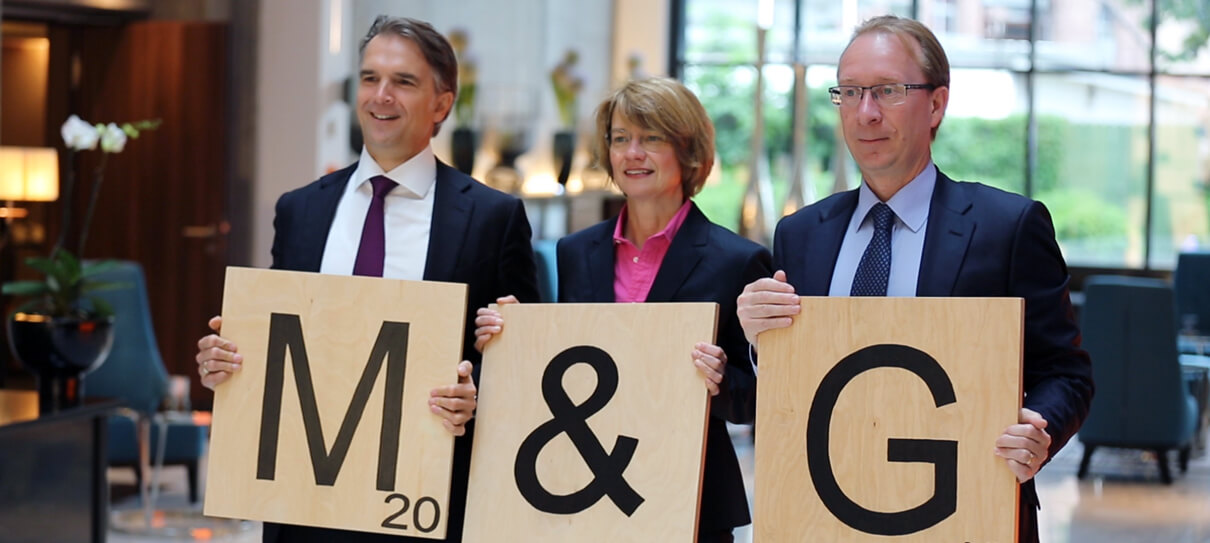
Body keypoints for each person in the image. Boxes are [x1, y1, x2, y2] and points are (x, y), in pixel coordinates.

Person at [734, 15, 1093, 543]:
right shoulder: (800, 234)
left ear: (937, 104)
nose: (866, 112)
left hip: (964, 508)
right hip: (824, 513)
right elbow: (788, 388)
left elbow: (1067, 374)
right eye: (850, 92)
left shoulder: (1007, 227)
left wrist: (1038, 428)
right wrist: (760, 343)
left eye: (888, 91)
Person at [194, 16, 539, 543]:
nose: (381, 96)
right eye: (370, 78)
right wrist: (227, 359)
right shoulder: (301, 210)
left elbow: (522, 366)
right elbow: (277, 342)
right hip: (305, 498)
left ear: (442, 103)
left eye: (403, 81)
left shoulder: (493, 218)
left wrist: (479, 396)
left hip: (425, 502)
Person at [474, 77, 772, 542]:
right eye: (619, 139)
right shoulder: (575, 252)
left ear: (688, 150)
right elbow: (565, 371)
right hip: (583, 488)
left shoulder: (738, 260)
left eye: (651, 138)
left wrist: (720, 382)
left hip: (690, 499)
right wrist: (514, 335)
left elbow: (758, 398)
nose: (632, 153)